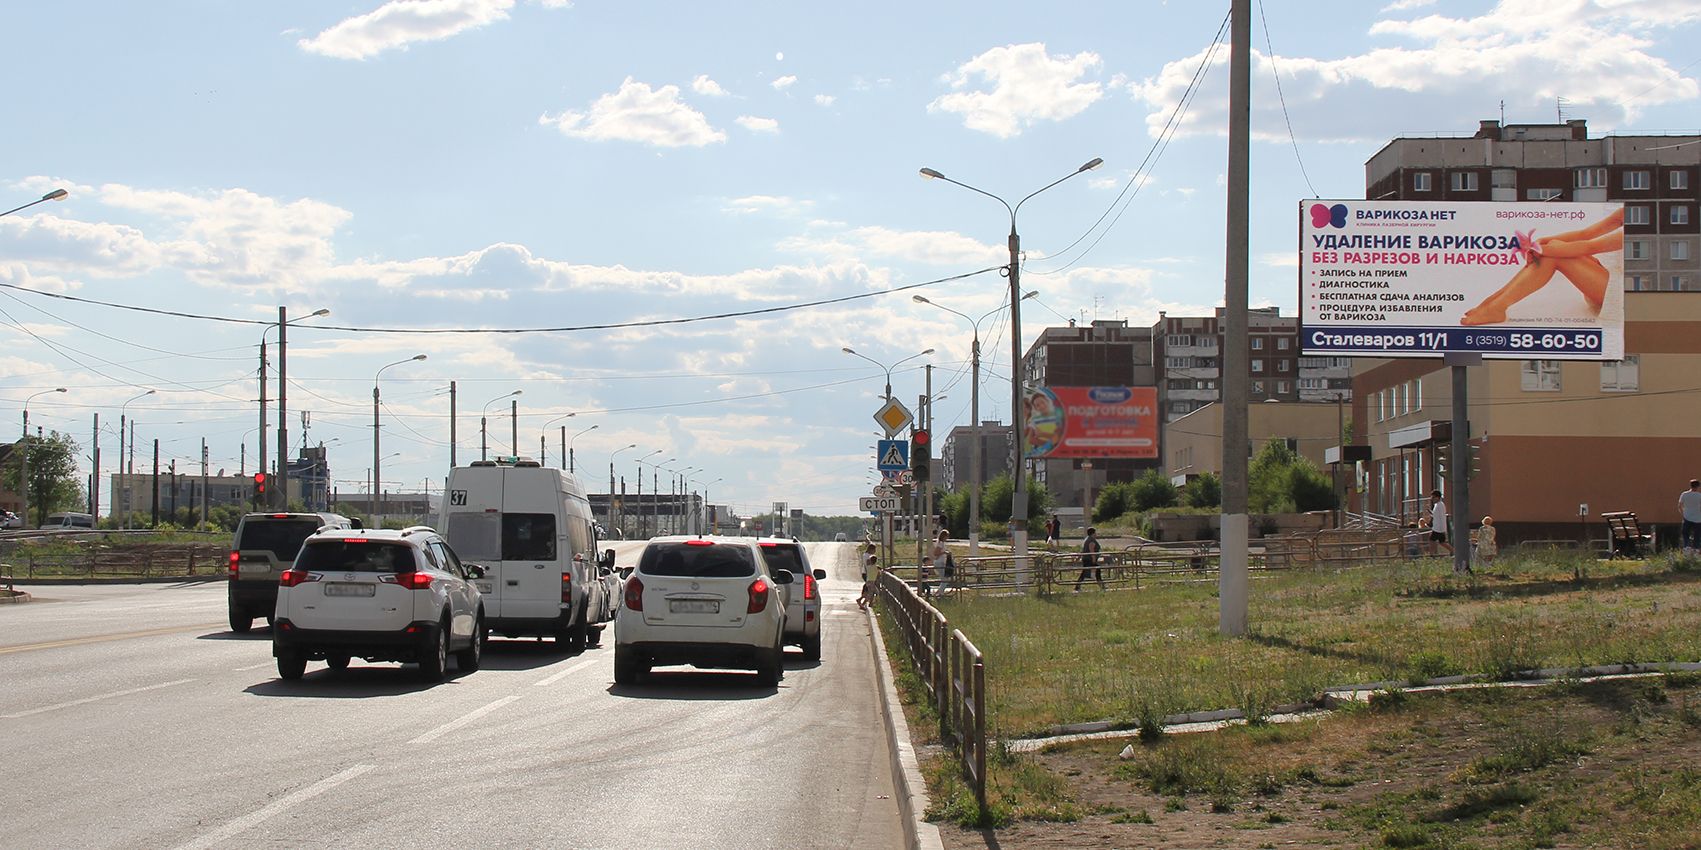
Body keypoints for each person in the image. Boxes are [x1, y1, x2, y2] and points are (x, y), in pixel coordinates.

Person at [1462, 208, 1623, 326]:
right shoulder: (1626, 211)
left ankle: (1496, 306)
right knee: (1552, 248)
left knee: (1552, 255)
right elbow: (1585, 234)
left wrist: (1538, 250)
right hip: (1605, 276)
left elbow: (1589, 247)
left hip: (1618, 293)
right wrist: (1542, 242)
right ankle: (1493, 303)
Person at [1073, 527, 1105, 591]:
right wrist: (1093, 559)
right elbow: (1091, 550)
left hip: (1086, 559)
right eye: (1095, 532)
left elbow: (1083, 550)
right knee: (1088, 572)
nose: (1096, 534)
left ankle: (1101, 586)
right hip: (1089, 559)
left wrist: (1078, 558)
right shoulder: (1091, 540)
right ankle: (1101, 586)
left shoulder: (1087, 539)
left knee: (1088, 572)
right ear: (1093, 533)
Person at [1428, 490, 1453, 558]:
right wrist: (1431, 513)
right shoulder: (1439, 505)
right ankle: (1453, 551)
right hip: (1440, 527)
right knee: (1442, 542)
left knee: (1431, 540)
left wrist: (1431, 514)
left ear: (1438, 497)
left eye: (1433, 497)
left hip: (1437, 527)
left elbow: (1437, 516)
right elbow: (1437, 515)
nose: (1432, 499)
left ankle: (1432, 554)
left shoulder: (1439, 505)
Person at [1680, 479, 1701, 556]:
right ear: (1698, 486)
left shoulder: (1684, 494)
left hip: (1687, 517)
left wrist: (1683, 513)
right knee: (1697, 535)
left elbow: (1680, 505)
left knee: (1685, 533)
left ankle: (1687, 546)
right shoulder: (1699, 496)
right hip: (1698, 518)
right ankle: (1696, 549)